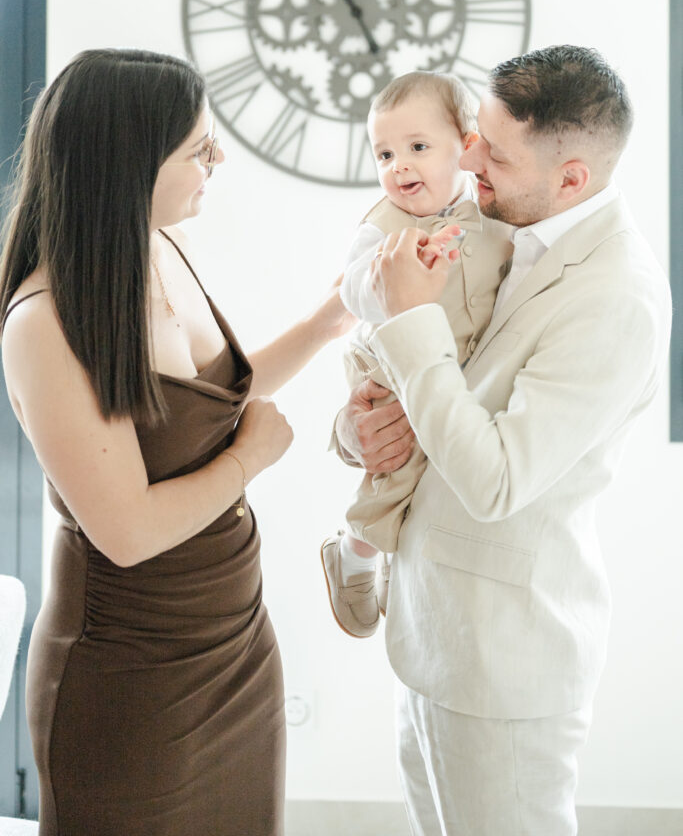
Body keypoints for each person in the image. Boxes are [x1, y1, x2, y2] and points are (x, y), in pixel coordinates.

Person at [0, 48, 351, 836]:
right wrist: (250, 459)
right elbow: (126, 533)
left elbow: (209, 404)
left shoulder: (158, 248)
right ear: (130, 165)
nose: (217, 160)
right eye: (199, 148)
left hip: (234, 642)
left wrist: (328, 321)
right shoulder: (45, 322)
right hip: (129, 673)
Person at [333, 46, 672, 835]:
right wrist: (355, 431)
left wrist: (409, 317)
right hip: (430, 634)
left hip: (501, 664)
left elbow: (494, 482)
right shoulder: (493, 224)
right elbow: (436, 391)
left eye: (494, 151)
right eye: (474, 136)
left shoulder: (616, 298)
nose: (467, 158)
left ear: (571, 179)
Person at [321, 71, 511, 637]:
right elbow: (352, 293)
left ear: (467, 147)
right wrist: (394, 275)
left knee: (446, 462)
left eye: (418, 148)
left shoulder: (492, 217)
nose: (398, 166)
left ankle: (392, 557)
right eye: (384, 154)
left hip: (455, 363)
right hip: (388, 366)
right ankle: (356, 551)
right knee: (397, 464)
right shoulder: (382, 227)